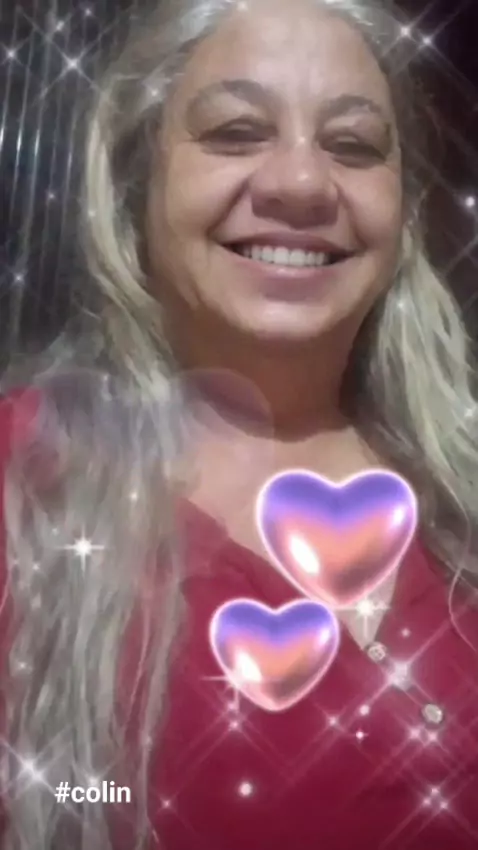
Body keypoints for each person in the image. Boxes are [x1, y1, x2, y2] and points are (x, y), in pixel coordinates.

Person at [1, 0, 478, 848]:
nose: (302, 184)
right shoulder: (26, 477)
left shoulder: (462, 477)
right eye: (235, 132)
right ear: (137, 185)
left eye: (353, 145)